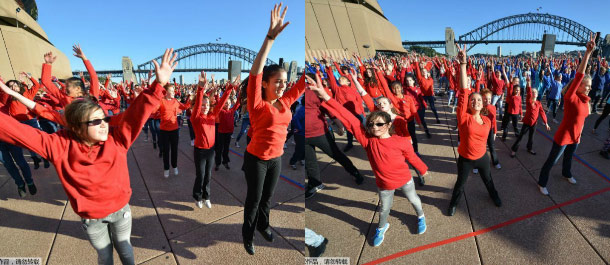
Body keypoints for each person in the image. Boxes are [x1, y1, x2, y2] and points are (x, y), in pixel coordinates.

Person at [0, 47, 177, 265]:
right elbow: (14, 130)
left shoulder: (116, 138)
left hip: (120, 211)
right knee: (104, 256)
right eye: (97, 121)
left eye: (104, 118)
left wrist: (157, 86)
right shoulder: (59, 144)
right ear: (76, 126)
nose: (105, 124)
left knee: (125, 248)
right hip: (92, 219)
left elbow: (135, 116)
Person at [309, 71, 429, 247]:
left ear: (388, 125)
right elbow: (348, 117)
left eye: (380, 124)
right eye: (371, 124)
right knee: (384, 209)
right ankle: (382, 226)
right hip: (384, 184)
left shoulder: (401, 140)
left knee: (414, 200)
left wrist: (423, 169)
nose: (375, 127)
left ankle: (420, 216)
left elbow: (412, 156)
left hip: (404, 179)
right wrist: (326, 96)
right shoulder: (367, 141)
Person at [241, 3, 306, 255]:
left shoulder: (285, 102)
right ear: (265, 84)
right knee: (254, 200)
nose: (282, 86)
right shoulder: (257, 104)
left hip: (276, 159)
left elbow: (301, 84)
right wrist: (269, 38)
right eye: (277, 82)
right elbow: (255, 72)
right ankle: (248, 236)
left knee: (268, 199)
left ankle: (263, 226)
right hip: (256, 158)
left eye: (284, 82)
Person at [537, 33, 597, 195]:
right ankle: (542, 182)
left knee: (569, 158)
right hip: (564, 135)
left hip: (576, 136)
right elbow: (579, 75)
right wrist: (587, 54)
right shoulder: (571, 98)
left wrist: (579, 135)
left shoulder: (586, 100)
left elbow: (581, 120)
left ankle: (566, 173)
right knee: (552, 160)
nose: (589, 88)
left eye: (590, 86)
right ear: (577, 86)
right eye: (587, 86)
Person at [448, 44, 502, 216]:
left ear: (483, 103)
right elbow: (464, 91)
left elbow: (491, 134)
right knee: (460, 184)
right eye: (473, 100)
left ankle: (494, 195)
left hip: (482, 158)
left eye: (479, 100)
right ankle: (453, 204)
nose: (476, 101)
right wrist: (463, 65)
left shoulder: (487, 119)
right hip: (465, 159)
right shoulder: (464, 118)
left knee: (489, 181)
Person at [191, 70, 233, 209]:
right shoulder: (196, 118)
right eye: (203, 105)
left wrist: (229, 89)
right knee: (201, 175)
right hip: (200, 151)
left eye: (207, 105)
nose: (204, 107)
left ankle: (206, 196)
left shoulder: (212, 116)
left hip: (211, 151)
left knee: (208, 176)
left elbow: (220, 104)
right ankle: (197, 196)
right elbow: (197, 106)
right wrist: (201, 89)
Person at [510, 77, 551, 157]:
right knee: (521, 136)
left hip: (534, 124)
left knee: (531, 137)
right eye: (533, 92)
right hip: (527, 122)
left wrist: (546, 123)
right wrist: (528, 83)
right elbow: (528, 92)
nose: (534, 93)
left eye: (535, 92)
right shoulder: (529, 101)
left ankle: (529, 148)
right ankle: (514, 150)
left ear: (537, 93)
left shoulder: (538, 103)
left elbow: (542, 113)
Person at [158, 82, 191, 178]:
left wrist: (189, 97)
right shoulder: (161, 101)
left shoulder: (175, 101)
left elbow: (184, 107)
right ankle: (166, 168)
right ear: (166, 92)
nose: (174, 92)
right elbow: (152, 109)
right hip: (164, 130)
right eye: (171, 91)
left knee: (174, 149)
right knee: (166, 150)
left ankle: (175, 166)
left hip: (174, 129)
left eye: (173, 90)